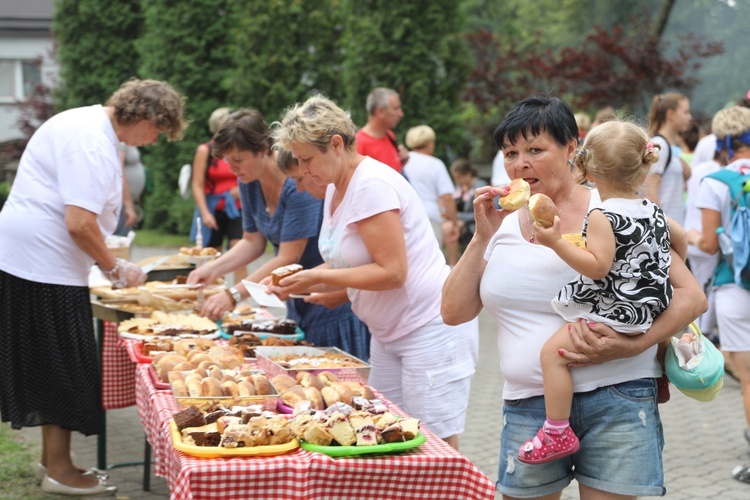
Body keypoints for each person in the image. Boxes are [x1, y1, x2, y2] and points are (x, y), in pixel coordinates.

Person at [441, 94, 706, 498]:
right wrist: (481, 236)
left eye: (534, 149)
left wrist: (630, 343)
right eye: (510, 153)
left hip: (619, 396)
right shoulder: (501, 224)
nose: (520, 163)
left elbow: (690, 296)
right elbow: (454, 312)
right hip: (531, 408)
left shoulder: (616, 210)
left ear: (570, 148)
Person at [0, 78, 187, 497]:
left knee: (53, 362)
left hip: (37, 260)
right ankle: (60, 472)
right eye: (157, 131)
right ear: (143, 117)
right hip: (42, 264)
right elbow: (79, 223)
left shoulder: (90, 126)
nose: (154, 141)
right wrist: (116, 267)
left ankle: (53, 463)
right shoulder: (90, 141)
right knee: (62, 366)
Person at [271, 95, 479, 450]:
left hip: (428, 329)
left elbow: (393, 272)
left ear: (336, 144)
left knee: (432, 447)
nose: (303, 172)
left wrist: (316, 277)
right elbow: (347, 263)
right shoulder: (338, 186)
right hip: (389, 333)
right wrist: (316, 284)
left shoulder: (370, 186)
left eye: (307, 160)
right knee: (385, 434)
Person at [515, 121, 676, 465]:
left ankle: (556, 432)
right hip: (647, 310)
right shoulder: (653, 209)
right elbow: (680, 246)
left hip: (614, 312)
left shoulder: (604, 214)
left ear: (587, 168)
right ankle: (660, 377)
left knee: (551, 355)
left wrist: (556, 241)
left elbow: (597, 267)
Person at [187, 109, 370, 361]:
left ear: (263, 149)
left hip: (329, 296)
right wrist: (212, 270)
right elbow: (252, 241)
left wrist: (234, 294)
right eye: (227, 160)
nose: (232, 168)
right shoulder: (248, 180)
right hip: (297, 294)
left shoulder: (298, 183)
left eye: (238, 160)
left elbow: (287, 258)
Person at [688, 106, 750, 479]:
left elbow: (710, 245)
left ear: (722, 142)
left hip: (735, 289)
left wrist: (689, 235)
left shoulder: (715, 181)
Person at [274, 147, 372, 361]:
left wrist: (325, 284)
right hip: (383, 326)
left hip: (411, 327)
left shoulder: (368, 187)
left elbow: (392, 271)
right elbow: (341, 264)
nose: (299, 189)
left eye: (300, 178)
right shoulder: (332, 194)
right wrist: (297, 282)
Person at [189, 107, 246, 284]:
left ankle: (239, 298)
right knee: (213, 256)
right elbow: (197, 184)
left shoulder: (238, 150)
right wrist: (205, 213)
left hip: (236, 208)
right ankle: (214, 295)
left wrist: (241, 189)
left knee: (240, 254)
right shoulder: (205, 150)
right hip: (213, 207)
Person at [403, 125, 459, 254]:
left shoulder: (402, 161)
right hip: (430, 215)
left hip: (406, 214)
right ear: (429, 143)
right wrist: (454, 223)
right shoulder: (435, 164)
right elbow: (447, 198)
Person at [643, 92, 693, 223]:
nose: (690, 118)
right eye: (686, 112)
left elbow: (687, 173)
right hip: (666, 232)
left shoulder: (666, 145)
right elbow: (650, 193)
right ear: (670, 114)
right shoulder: (660, 145)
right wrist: (663, 229)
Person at [355, 87, 409, 173]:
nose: (401, 114)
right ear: (380, 111)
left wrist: (402, 162)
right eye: (396, 109)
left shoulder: (389, 135)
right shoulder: (359, 144)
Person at [450, 158, 488, 249]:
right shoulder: (459, 188)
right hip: (463, 224)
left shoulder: (480, 187)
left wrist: (457, 216)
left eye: (459, 177)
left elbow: (483, 213)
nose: (457, 181)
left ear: (468, 174)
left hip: (473, 226)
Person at [113, 144, 145, 236]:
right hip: (121, 203)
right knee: (119, 243)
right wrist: (128, 205)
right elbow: (119, 169)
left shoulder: (129, 142)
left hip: (127, 201)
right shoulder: (122, 141)